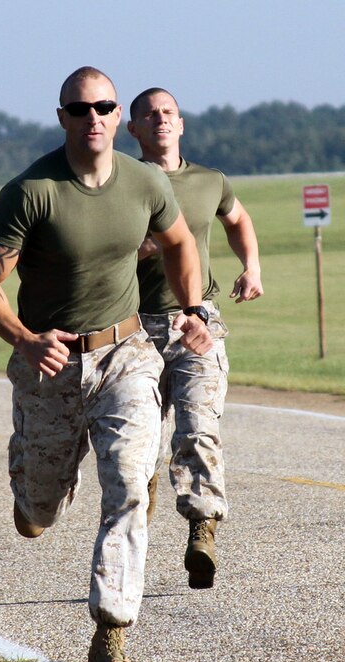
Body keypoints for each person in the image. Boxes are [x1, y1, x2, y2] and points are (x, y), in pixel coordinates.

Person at [0, 67, 212, 662]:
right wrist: (25, 340)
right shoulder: (32, 191)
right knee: (38, 511)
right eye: (80, 110)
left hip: (127, 352)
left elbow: (181, 242)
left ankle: (110, 640)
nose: (93, 119)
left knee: (130, 486)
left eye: (103, 107)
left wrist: (192, 310)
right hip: (50, 363)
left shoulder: (145, 181)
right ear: (63, 116)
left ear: (115, 111)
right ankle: (34, 486)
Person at [127, 87, 264, 590]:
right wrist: (142, 246)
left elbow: (238, 218)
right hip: (132, 327)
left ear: (181, 124)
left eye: (168, 113)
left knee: (198, 427)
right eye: (150, 114)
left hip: (196, 323)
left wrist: (251, 267)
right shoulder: (120, 184)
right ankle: (137, 525)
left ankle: (202, 527)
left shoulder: (210, 180)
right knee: (140, 446)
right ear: (133, 129)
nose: (160, 120)